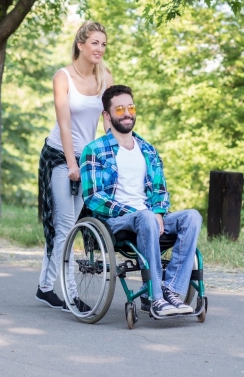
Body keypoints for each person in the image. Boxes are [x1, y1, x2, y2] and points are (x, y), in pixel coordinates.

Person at [80, 85, 202, 316]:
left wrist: (157, 211)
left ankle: (171, 289)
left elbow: (160, 190)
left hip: (150, 216)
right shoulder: (94, 150)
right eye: (119, 109)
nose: (127, 113)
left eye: (130, 107)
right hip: (114, 221)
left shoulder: (148, 150)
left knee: (192, 217)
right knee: (144, 216)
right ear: (107, 115)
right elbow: (93, 198)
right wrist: (135, 212)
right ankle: (154, 297)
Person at [36, 21, 113, 311]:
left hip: (87, 160)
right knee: (66, 227)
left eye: (103, 44)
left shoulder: (105, 77)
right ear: (81, 44)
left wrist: (113, 153)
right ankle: (70, 295)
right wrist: (70, 163)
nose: (100, 49)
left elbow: (107, 122)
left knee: (67, 226)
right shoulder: (63, 77)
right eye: (95, 43)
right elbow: (65, 124)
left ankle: (45, 287)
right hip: (59, 155)